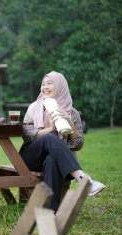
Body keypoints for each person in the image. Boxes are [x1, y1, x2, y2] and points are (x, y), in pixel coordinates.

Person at [20, 71, 106, 211]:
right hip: (31, 156)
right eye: (43, 84)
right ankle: (82, 178)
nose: (45, 87)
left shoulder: (72, 113)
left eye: (49, 83)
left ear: (60, 86)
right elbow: (26, 135)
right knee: (50, 137)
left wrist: (69, 123)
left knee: (52, 160)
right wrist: (51, 128)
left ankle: (51, 210)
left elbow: (78, 144)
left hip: (59, 159)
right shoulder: (34, 108)